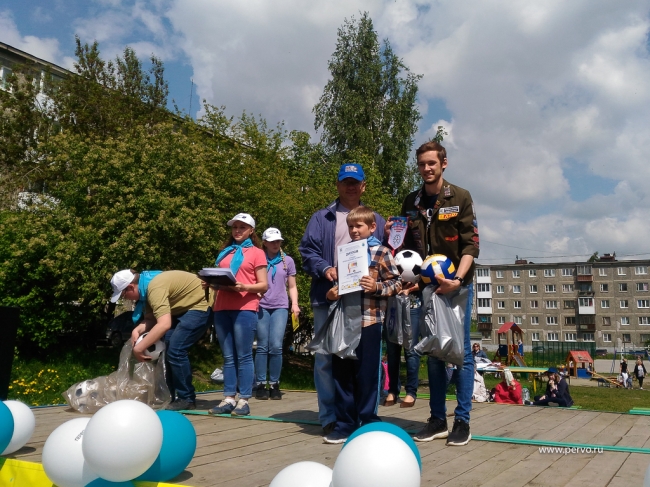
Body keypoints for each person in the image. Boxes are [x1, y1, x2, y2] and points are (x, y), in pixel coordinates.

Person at [388, 140, 480, 446]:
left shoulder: (460, 197)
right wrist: (394, 244)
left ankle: (462, 421)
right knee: (434, 351)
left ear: (443, 163)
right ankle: (438, 419)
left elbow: (471, 246)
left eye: (432, 163)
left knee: (461, 352)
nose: (426, 168)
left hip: (456, 287)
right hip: (428, 289)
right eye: (422, 164)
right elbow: (406, 250)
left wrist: (458, 279)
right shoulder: (411, 201)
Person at [299, 163, 386, 435]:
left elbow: (386, 258)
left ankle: (362, 417)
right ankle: (330, 417)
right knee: (327, 358)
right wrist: (326, 269)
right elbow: (307, 251)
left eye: (355, 182)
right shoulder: (321, 217)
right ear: (337, 185)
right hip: (329, 297)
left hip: (366, 304)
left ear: (363, 186)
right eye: (345, 181)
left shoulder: (377, 220)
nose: (350, 186)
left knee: (365, 362)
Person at [321, 206, 402, 444]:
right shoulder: (345, 252)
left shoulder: (382, 252)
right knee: (342, 374)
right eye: (350, 226)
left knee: (366, 375)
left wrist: (376, 287)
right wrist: (332, 294)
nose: (354, 230)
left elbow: (397, 283)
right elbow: (340, 285)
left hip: (370, 321)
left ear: (372, 227)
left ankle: (367, 421)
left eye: (359, 226)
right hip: (345, 321)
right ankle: (344, 424)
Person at [109, 269, 214, 411]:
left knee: (176, 350)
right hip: (182, 309)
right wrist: (137, 330)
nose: (125, 299)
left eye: (123, 295)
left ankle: (187, 398)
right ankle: (169, 395)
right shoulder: (146, 290)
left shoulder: (154, 288)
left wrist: (139, 348)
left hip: (200, 305)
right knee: (168, 348)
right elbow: (151, 319)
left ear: (130, 287)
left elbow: (164, 325)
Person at [208, 213, 268, 416]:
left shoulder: (257, 253)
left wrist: (244, 287)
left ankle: (244, 400)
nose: (237, 231)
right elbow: (220, 277)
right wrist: (210, 282)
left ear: (251, 230)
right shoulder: (225, 252)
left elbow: (263, 285)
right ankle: (228, 398)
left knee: (243, 355)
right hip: (222, 306)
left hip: (245, 306)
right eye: (235, 227)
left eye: (242, 227)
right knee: (228, 356)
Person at [254, 227, 300, 400]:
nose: (275, 244)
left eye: (278, 241)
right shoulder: (258, 258)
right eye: (272, 241)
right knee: (262, 345)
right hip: (261, 305)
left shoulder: (287, 261)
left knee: (276, 345)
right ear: (265, 243)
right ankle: (260, 383)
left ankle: (274, 384)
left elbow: (292, 286)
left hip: (280, 306)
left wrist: (295, 304)